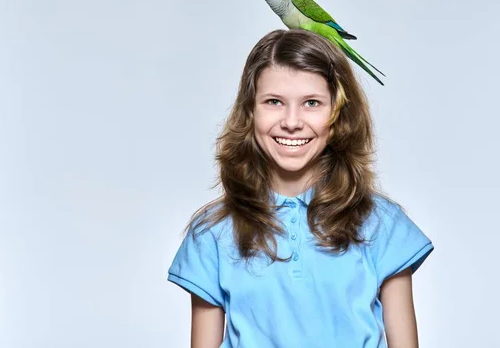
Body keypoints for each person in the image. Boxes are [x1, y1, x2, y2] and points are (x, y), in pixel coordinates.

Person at [167, 29, 434, 347]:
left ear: (337, 114)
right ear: (250, 111)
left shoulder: (382, 223)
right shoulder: (212, 232)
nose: (292, 121)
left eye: (311, 102)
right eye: (274, 102)